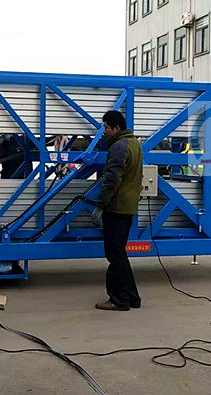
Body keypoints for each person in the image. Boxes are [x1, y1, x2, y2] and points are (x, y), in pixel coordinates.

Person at [91, 110, 143, 311]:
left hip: (116, 208)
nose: (104, 131)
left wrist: (100, 204)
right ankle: (132, 297)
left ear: (117, 128)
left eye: (106, 127)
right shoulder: (134, 143)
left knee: (114, 255)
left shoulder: (119, 146)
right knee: (120, 254)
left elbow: (112, 179)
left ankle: (118, 300)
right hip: (127, 208)